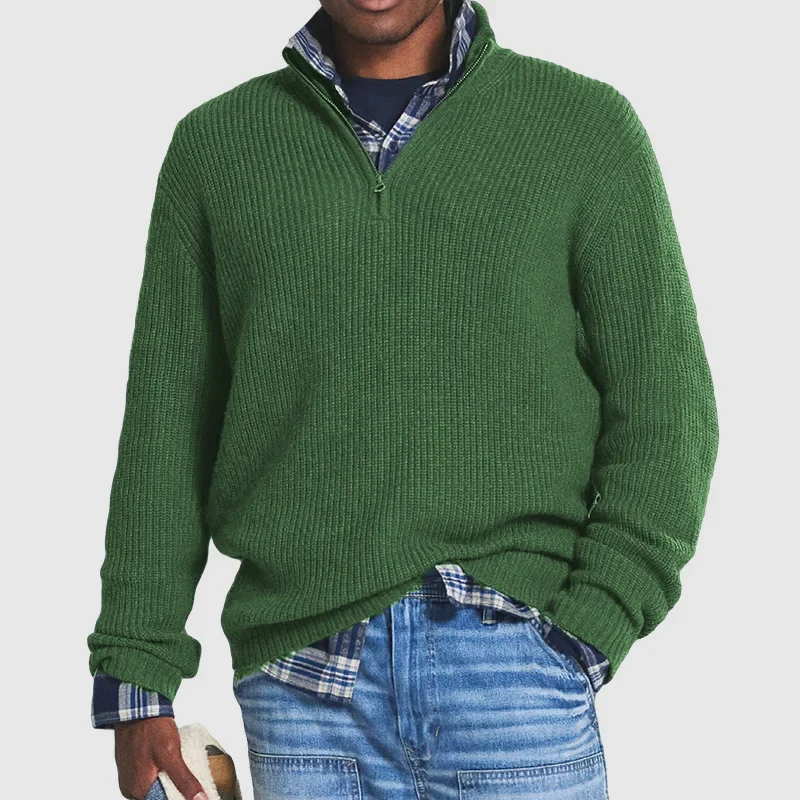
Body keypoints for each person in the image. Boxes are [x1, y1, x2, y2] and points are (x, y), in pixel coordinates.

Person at [87, 1, 719, 798]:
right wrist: (137, 678)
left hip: (514, 667)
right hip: (302, 686)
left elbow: (667, 411)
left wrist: (589, 628)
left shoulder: (584, 127)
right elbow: (166, 428)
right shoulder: (217, 148)